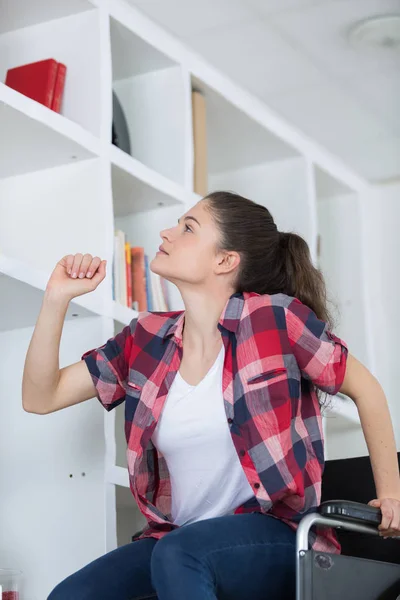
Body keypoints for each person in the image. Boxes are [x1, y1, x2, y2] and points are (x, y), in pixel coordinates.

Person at [23, 191, 400, 600]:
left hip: (279, 537)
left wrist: (392, 495)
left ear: (225, 260)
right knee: (72, 596)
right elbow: (42, 396)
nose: (167, 232)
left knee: (180, 554)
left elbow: (368, 390)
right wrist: (56, 299)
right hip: (177, 537)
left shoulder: (274, 319)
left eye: (188, 228)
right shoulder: (145, 338)